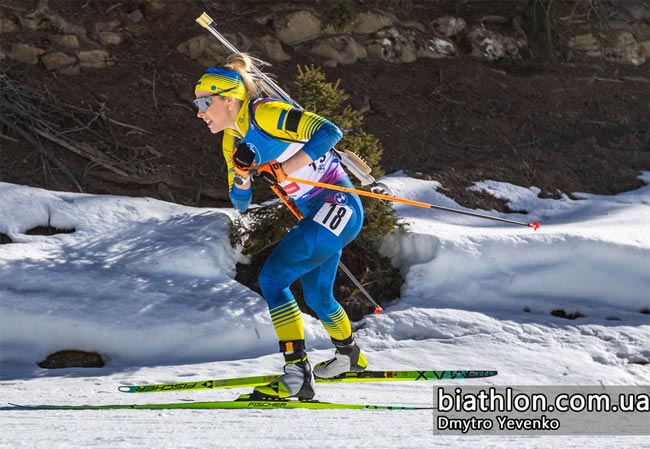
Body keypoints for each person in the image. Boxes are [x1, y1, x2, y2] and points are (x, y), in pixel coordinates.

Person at [194, 53, 368, 400]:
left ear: (228, 99)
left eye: (204, 102)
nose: (199, 112)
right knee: (319, 296)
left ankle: (296, 374)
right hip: (316, 216)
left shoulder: (265, 114)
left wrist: (287, 166)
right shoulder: (232, 140)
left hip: (339, 207)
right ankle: (349, 356)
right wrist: (243, 175)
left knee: (273, 278)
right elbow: (239, 201)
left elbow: (328, 131)